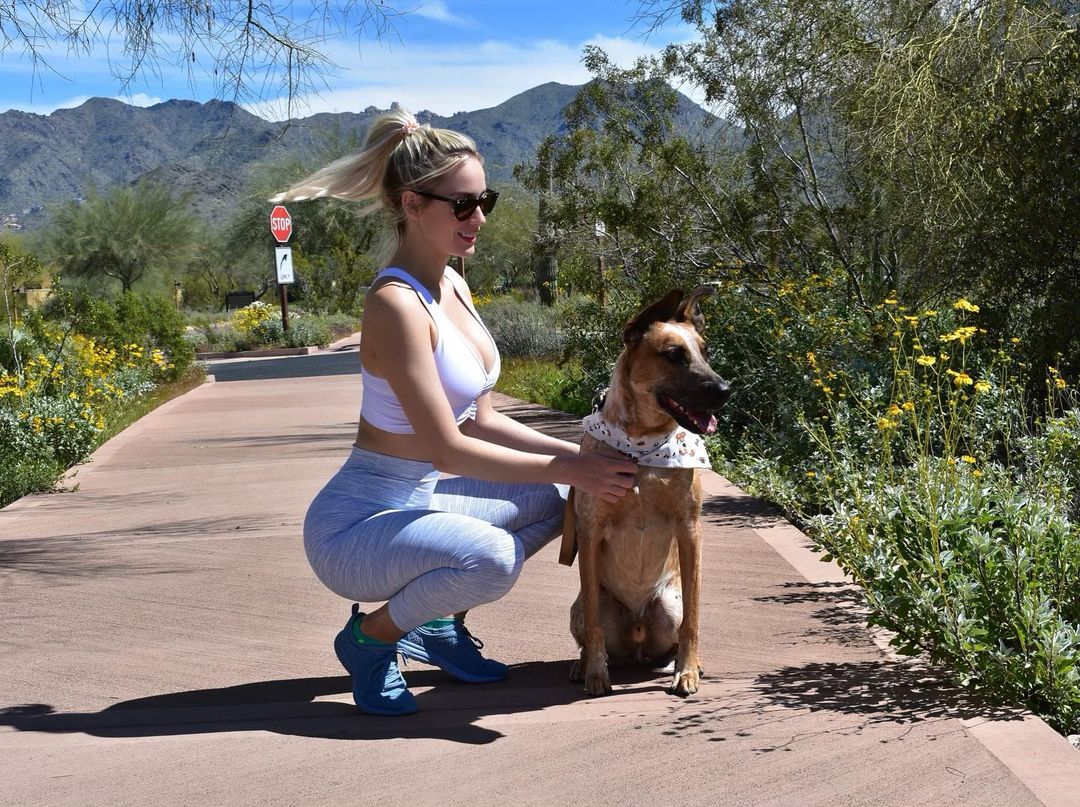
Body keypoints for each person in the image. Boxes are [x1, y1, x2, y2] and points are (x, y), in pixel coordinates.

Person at [270, 109, 638, 716]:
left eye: (483, 199)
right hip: (357, 526)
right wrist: (576, 467)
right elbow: (447, 447)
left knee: (553, 502)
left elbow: (483, 419)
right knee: (492, 558)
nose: (480, 218)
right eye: (462, 205)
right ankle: (370, 640)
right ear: (412, 205)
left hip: (423, 499)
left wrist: (581, 456)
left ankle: (436, 622)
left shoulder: (454, 286)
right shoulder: (395, 305)